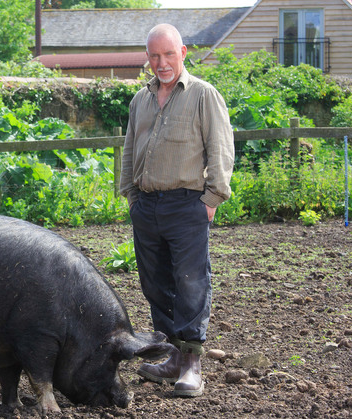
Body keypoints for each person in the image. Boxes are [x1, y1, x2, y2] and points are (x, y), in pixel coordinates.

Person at [119, 23, 234, 397]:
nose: (161, 62)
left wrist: (211, 200)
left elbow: (220, 149)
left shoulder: (203, 95)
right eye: (154, 55)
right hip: (147, 206)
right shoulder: (141, 100)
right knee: (155, 285)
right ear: (147, 58)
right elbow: (129, 152)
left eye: (168, 54)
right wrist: (131, 196)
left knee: (190, 284)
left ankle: (191, 364)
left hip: (187, 205)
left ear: (183, 53)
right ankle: (170, 355)